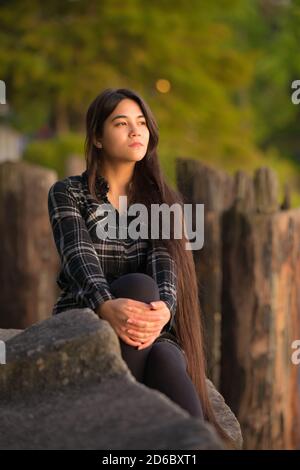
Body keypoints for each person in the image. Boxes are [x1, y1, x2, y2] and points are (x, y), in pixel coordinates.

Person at [48, 87, 231, 443]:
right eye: (121, 123)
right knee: (137, 287)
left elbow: (165, 262)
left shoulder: (161, 199)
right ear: (98, 137)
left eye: (142, 122)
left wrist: (165, 310)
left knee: (166, 355)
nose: (136, 131)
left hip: (148, 332)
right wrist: (104, 304)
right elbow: (79, 258)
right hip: (86, 320)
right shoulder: (67, 193)